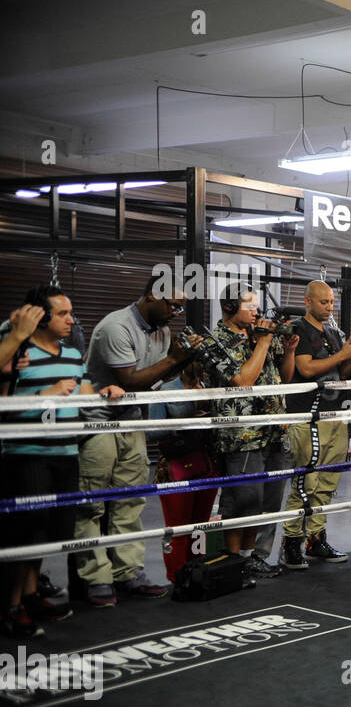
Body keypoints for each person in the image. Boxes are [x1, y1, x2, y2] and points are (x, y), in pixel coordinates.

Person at [2, 286, 125, 636]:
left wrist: (105, 393)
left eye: (70, 312)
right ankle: (8, 607)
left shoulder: (72, 354)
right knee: (23, 535)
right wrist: (45, 395)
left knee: (47, 532)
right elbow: (6, 406)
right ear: (40, 317)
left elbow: (84, 395)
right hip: (27, 456)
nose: (71, 319)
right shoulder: (18, 354)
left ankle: (28, 597)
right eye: (62, 313)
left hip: (65, 454)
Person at [74, 273, 188, 605]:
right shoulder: (116, 327)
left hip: (130, 420)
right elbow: (130, 381)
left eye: (180, 309)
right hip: (98, 422)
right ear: (153, 296)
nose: (175, 314)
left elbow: (157, 380)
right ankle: (95, 578)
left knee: (131, 499)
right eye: (173, 306)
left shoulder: (162, 331)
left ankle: (128, 572)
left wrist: (184, 360)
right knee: (92, 504)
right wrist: (173, 359)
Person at [202, 283, 299, 565]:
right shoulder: (215, 341)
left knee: (269, 501)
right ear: (230, 308)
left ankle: (256, 557)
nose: (256, 310)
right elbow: (243, 381)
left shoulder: (259, 335)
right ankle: (234, 561)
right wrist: (265, 342)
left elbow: (285, 377)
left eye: (256, 305)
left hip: (274, 431)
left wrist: (289, 351)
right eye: (249, 305)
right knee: (243, 500)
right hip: (242, 435)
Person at [280, 280, 351, 569]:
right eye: (323, 302)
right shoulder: (298, 329)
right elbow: (304, 369)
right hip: (307, 416)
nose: (329, 307)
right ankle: (291, 542)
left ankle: (315, 539)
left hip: (334, 415)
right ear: (308, 302)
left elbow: (341, 371)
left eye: (332, 302)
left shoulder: (332, 333)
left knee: (328, 481)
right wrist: (343, 354)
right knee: (306, 482)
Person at [150, 360, 219, 583]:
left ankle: (196, 572)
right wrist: (189, 421)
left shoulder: (209, 387)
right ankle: (176, 577)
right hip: (175, 465)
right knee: (178, 528)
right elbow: (153, 432)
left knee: (199, 525)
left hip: (206, 464)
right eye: (196, 358)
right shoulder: (165, 390)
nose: (201, 363)